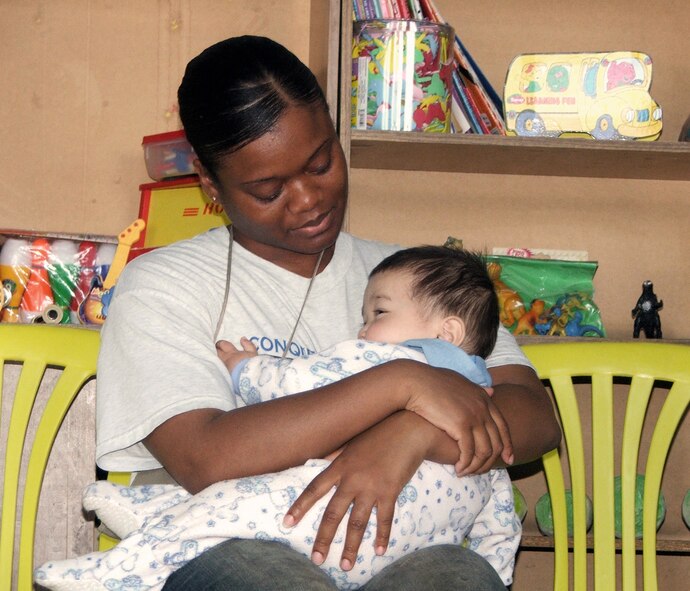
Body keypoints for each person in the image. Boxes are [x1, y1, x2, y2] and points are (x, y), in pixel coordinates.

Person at [90, 35, 560, 591]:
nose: (308, 199)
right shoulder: (163, 285)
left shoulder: (411, 274)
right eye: (269, 189)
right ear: (210, 184)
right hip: (227, 548)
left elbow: (532, 416)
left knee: (460, 577)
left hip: (402, 549)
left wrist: (409, 436)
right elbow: (207, 457)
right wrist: (402, 383)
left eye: (320, 163)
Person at [34, 247, 522, 591]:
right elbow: (500, 500)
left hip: (308, 519)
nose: (363, 326)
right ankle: (156, 516)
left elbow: (302, 383)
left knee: (238, 507)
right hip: (396, 543)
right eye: (268, 187)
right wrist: (496, 563)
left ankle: (120, 567)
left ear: (449, 330)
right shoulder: (475, 389)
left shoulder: (400, 323)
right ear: (212, 181)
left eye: (377, 313)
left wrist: (245, 369)